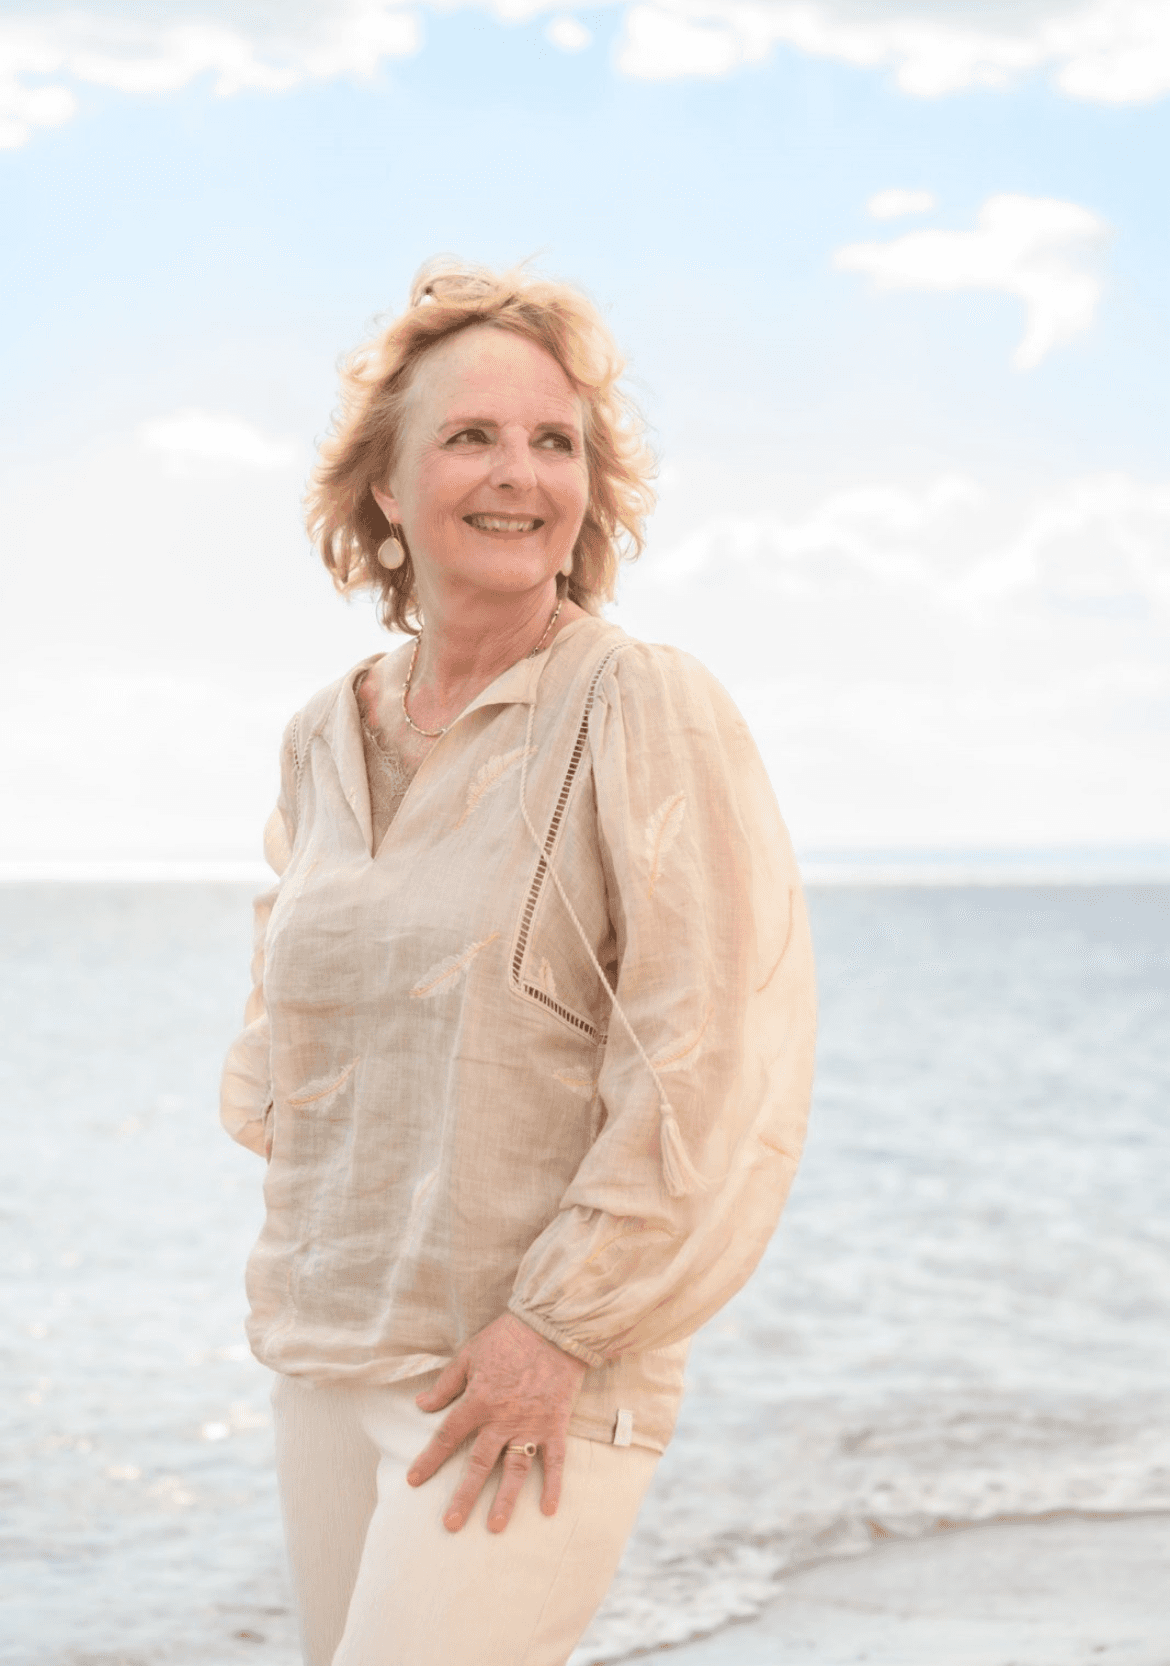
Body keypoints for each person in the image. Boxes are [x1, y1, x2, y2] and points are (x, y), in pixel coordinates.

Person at [220, 259, 817, 1666]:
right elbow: (288, 1047)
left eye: (556, 441)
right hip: (327, 1354)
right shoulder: (321, 735)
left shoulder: (640, 703)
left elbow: (709, 1059)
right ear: (385, 486)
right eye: (471, 437)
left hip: (527, 1374)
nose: (519, 475)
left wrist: (556, 1328)